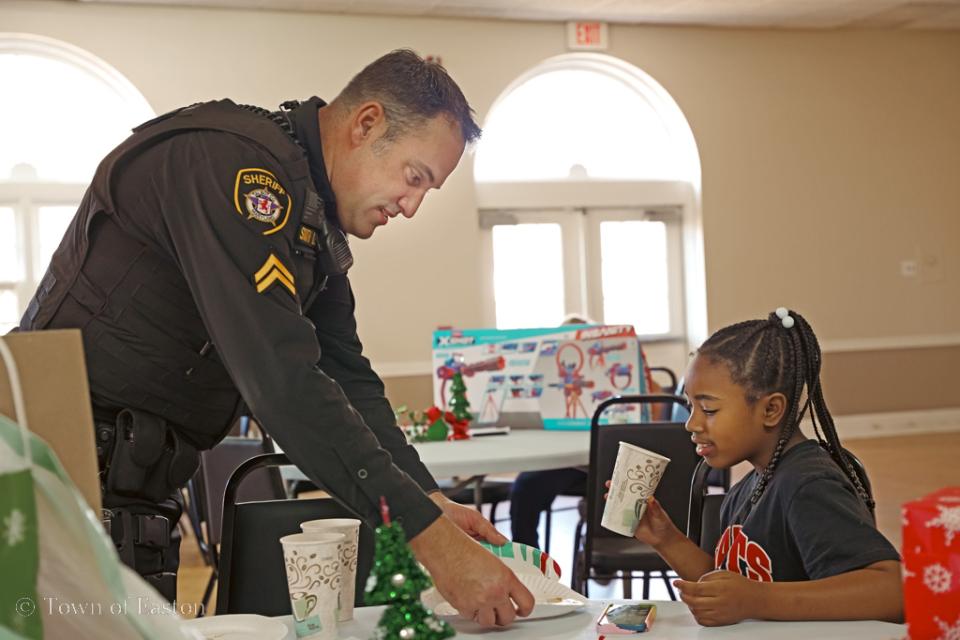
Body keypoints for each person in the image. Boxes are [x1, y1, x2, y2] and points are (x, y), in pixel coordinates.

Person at [16, 49, 533, 626]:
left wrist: (429, 500)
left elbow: (346, 375)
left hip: (128, 484)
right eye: (415, 178)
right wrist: (428, 540)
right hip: (53, 481)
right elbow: (282, 381)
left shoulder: (310, 218)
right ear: (366, 124)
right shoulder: (234, 170)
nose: (411, 207)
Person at [619, 308, 902, 626]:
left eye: (709, 409)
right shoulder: (746, 490)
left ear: (771, 409)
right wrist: (666, 539)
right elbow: (727, 586)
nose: (691, 423)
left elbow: (892, 590)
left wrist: (757, 599)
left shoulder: (808, 486)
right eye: (691, 407)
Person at [509, 313, 667, 550]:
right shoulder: (552, 382)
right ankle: (529, 560)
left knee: (607, 489)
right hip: (564, 461)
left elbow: (657, 405)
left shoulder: (626, 378)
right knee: (526, 486)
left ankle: (600, 548)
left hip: (608, 460)